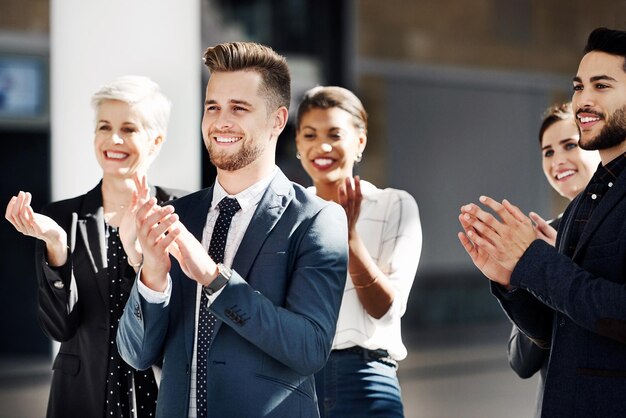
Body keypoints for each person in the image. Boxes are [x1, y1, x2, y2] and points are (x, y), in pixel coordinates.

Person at [116, 42, 348, 418]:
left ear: (277, 120)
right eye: (213, 107)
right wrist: (152, 276)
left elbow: (309, 349)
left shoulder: (317, 219)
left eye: (238, 108)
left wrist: (212, 277)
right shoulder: (178, 215)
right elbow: (135, 355)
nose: (220, 122)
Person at [458, 27, 626, 416]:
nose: (582, 100)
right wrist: (513, 278)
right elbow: (554, 331)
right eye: (578, 86)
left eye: (601, 86)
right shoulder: (587, 200)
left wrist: (535, 260)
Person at [4, 75, 185, 418]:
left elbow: (183, 322)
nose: (113, 139)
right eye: (104, 126)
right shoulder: (62, 217)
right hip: (79, 396)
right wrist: (57, 246)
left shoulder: (183, 212)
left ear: (156, 140)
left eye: (129, 129)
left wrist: (138, 258)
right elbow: (60, 328)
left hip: (159, 393)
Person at [294, 85, 422, 417]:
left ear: (360, 141)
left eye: (334, 134)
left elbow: (387, 310)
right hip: (296, 384)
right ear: (297, 145)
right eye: (309, 135)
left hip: (365, 379)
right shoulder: (286, 214)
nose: (322, 146)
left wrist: (348, 237)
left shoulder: (394, 204)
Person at [506, 102, 600, 417]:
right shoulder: (543, 237)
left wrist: (560, 267)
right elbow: (521, 361)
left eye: (570, 145)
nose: (557, 160)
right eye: (548, 152)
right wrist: (532, 275)